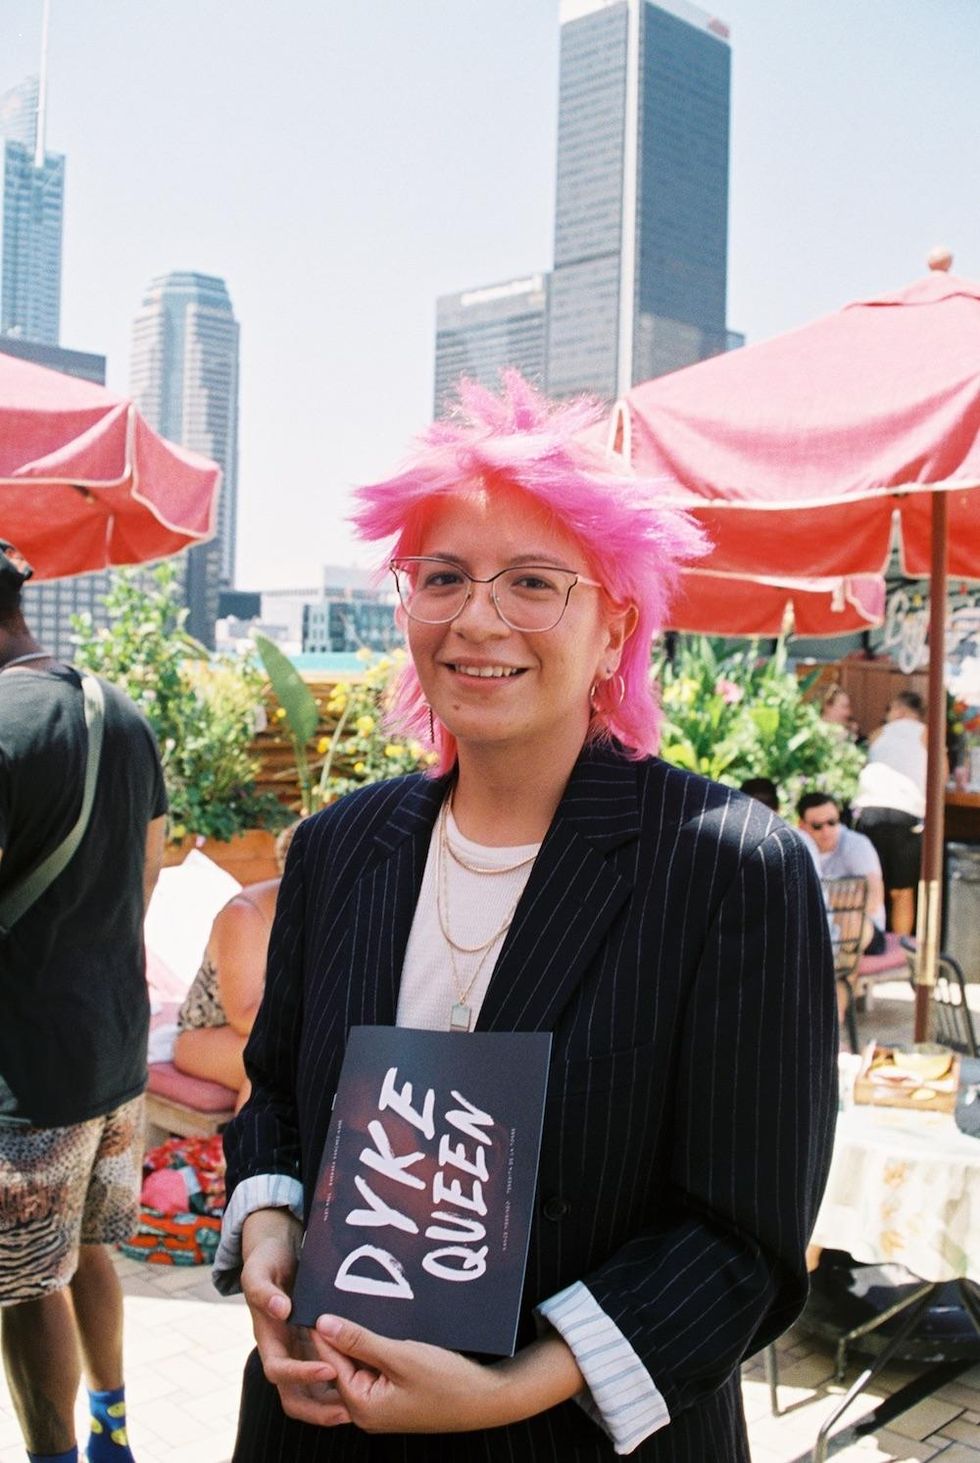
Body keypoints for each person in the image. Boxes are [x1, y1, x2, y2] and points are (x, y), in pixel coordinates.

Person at [213, 375, 837, 1462]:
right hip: (318, 1413)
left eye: (534, 583)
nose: (476, 618)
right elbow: (275, 1097)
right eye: (442, 576)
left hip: (575, 1441)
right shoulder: (338, 847)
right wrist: (269, 1221)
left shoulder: (729, 867)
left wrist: (508, 1389)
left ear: (615, 627)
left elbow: (739, 1237)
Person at [0, 541, 167, 1463]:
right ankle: (112, 1431)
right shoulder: (122, 710)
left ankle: (54, 1455)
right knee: (91, 1249)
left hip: (28, 1071)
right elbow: (149, 867)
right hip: (115, 1049)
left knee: (25, 1283)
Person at [173, 823, 298, 1111]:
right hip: (206, 1034)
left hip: (278, 1032)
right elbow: (242, 1017)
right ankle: (249, 1142)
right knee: (276, 1061)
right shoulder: (245, 915)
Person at [852, 691, 928, 935]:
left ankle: (864, 945)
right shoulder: (928, 734)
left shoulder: (878, 733)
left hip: (867, 808)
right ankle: (901, 948)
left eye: (890, 710)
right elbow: (941, 774)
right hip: (906, 813)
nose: (887, 715)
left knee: (869, 886)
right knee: (901, 891)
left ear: (901, 711)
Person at [796, 791, 886, 955]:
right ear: (801, 825)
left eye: (832, 822)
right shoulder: (798, 847)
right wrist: (845, 896)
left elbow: (873, 899)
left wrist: (819, 898)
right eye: (817, 826)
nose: (826, 831)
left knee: (847, 919)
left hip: (864, 929)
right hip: (819, 927)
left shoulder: (856, 845)